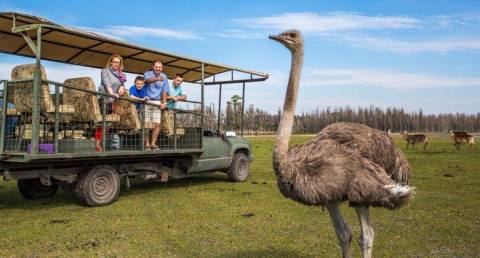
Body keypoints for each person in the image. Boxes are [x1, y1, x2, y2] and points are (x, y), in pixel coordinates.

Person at [96, 54, 127, 152]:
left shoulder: (121, 75)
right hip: (103, 98)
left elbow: (121, 85)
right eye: (114, 62)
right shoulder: (105, 71)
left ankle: (104, 143)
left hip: (112, 101)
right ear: (110, 62)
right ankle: (97, 145)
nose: (116, 64)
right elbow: (106, 83)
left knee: (108, 124)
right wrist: (111, 93)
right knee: (101, 123)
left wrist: (122, 87)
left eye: (118, 62)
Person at [143, 61, 168, 150]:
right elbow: (147, 81)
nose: (158, 69)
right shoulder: (147, 73)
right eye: (156, 67)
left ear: (162, 68)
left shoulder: (164, 76)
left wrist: (164, 102)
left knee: (157, 124)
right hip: (147, 101)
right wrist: (157, 79)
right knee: (146, 124)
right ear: (153, 67)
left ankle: (153, 144)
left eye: (160, 67)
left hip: (157, 102)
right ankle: (147, 144)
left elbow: (164, 90)